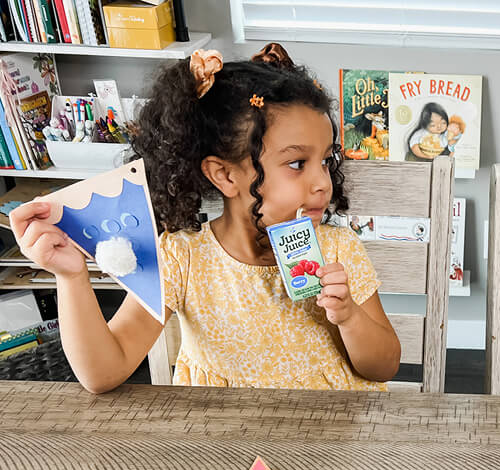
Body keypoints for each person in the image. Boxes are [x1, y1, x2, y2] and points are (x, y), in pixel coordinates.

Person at [11, 43, 400, 393]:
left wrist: (348, 316)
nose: (322, 183)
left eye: (326, 160)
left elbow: (384, 366)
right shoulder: (183, 259)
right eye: (297, 163)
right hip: (223, 441)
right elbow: (102, 373)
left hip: (328, 435)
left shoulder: (336, 249)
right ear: (225, 175)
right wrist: (71, 276)